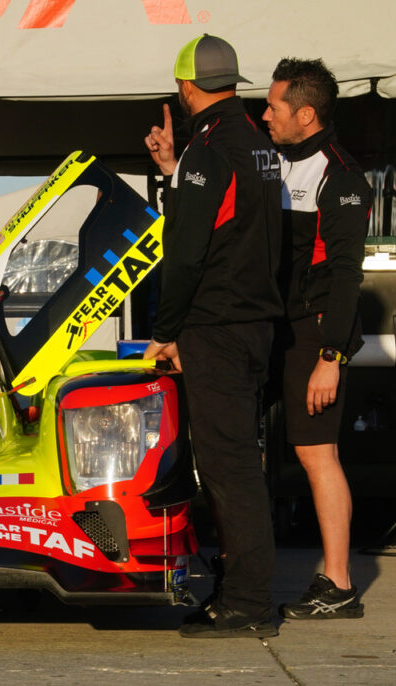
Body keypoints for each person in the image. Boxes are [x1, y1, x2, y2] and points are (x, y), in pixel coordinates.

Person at [142, 34, 284, 638]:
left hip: (217, 327)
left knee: (228, 470)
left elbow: (187, 253)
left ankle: (248, 603)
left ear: (185, 87)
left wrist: (165, 330)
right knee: (239, 465)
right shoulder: (256, 142)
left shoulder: (210, 148)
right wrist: (176, 169)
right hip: (255, 322)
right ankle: (240, 591)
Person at [263, 58, 368, 620]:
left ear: (306, 113)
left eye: (275, 106)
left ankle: (338, 582)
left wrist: (331, 356)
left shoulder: (342, 176)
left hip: (316, 332)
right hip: (270, 327)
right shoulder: (271, 159)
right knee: (252, 447)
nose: (265, 113)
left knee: (316, 452)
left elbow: (347, 275)